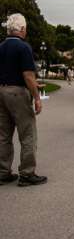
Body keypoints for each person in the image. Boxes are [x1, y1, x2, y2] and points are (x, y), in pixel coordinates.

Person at [0, 13, 47, 187]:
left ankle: (3, 172)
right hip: (17, 92)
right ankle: (27, 173)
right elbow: (28, 75)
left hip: (1, 90)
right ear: (22, 29)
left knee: (3, 135)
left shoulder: (1, 47)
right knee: (27, 133)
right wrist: (37, 98)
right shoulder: (23, 48)